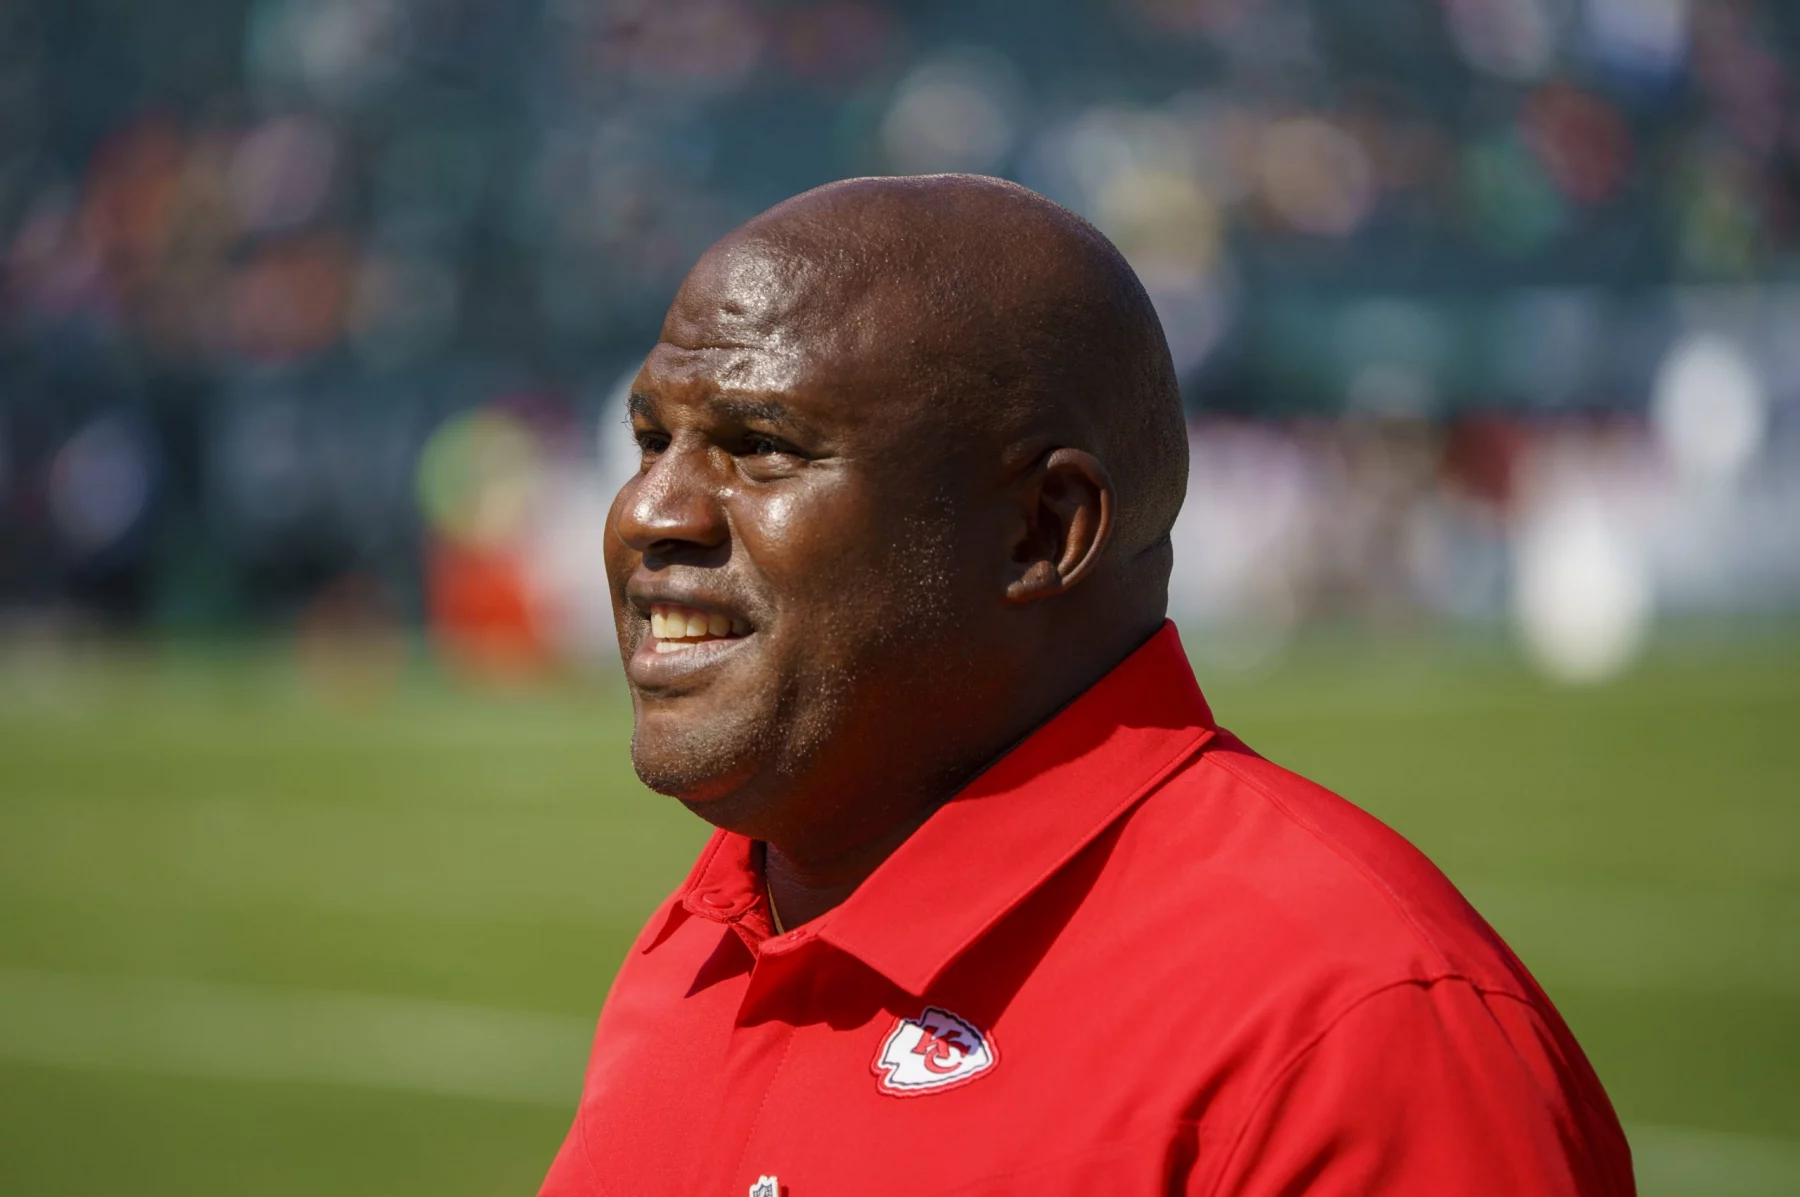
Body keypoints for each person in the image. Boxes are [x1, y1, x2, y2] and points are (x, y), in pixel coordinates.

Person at [539, 175, 1634, 1196]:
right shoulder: (705, 937)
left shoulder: (1350, 1025)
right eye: (651, 440)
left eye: (762, 447)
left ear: (1041, 530)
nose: (650, 513)